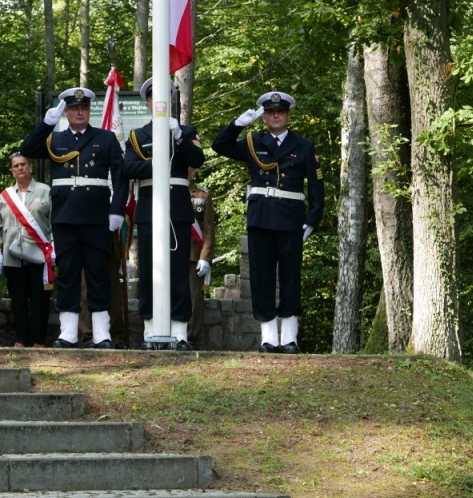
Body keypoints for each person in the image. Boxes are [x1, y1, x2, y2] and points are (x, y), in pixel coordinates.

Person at [211, 92, 324, 354]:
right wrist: (237, 125)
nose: (276, 115)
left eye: (280, 112)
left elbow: (316, 186)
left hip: (290, 219)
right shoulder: (252, 141)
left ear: (288, 115)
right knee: (261, 279)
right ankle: (269, 337)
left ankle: (290, 338)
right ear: (264, 117)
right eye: (271, 112)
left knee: (290, 276)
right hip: (261, 219)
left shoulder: (303, 145)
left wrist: (312, 219)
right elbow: (219, 146)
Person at [19, 87, 127, 349]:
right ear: (66, 112)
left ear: (89, 111)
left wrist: (116, 210)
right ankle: (68, 332)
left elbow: (121, 176)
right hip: (65, 216)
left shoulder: (106, 138)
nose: (80, 112)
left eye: (84, 108)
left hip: (96, 215)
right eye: (74, 108)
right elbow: (27, 148)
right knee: (67, 274)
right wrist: (47, 123)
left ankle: (102, 334)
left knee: (97, 274)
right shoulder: (54, 139)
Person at [123, 78, 205, 350]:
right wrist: (156, 164)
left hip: (177, 210)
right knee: (148, 271)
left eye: (165, 98)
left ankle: (180, 332)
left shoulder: (186, 131)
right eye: (153, 98)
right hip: (149, 209)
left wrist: (180, 138)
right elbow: (129, 169)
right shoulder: (137, 136)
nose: (158, 103)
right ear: (147, 103)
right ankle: (150, 332)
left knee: (179, 271)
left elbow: (197, 161)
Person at [0, 153, 53, 348]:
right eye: (16, 166)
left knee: (40, 299)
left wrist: (54, 248)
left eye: (23, 164)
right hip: (12, 257)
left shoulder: (45, 192)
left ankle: (38, 339)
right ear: (11, 170)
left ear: (30, 167)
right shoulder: (5, 196)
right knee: (17, 299)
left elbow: (54, 223)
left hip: (39, 256)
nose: (20, 168)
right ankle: (21, 338)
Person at [187, 170, 215, 349]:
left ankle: (190, 338)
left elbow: (208, 229)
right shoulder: (164, 191)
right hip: (169, 254)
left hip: (194, 255)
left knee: (195, 297)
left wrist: (205, 256)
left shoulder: (202, 195)